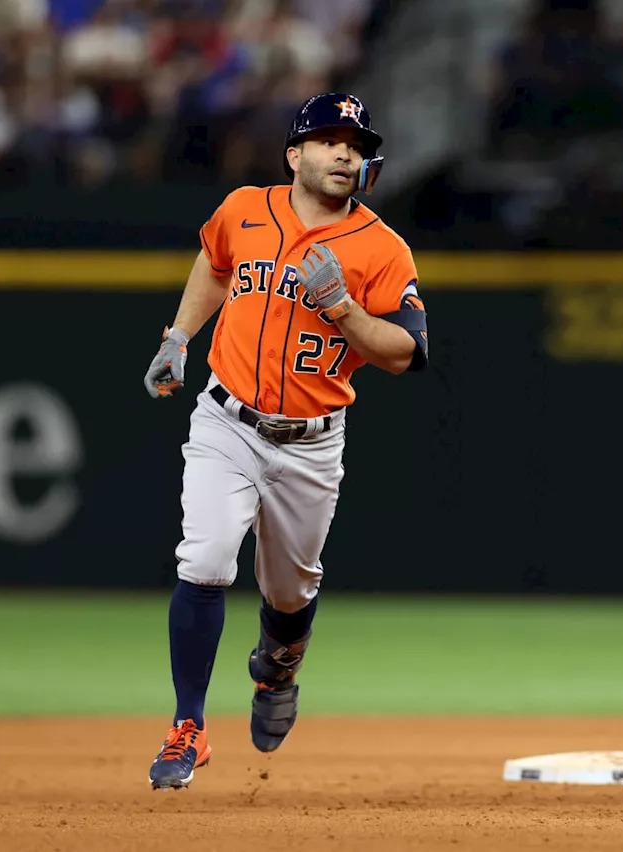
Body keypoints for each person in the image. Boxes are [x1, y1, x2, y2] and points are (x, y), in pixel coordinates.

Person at [141, 92, 429, 790]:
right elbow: (214, 263)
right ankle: (189, 727)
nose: (344, 153)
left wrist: (345, 309)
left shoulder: (382, 248)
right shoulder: (244, 208)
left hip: (310, 445)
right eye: (330, 140)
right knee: (205, 559)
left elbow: (406, 352)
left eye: (356, 146)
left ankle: (277, 669)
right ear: (294, 154)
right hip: (225, 421)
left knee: (290, 591)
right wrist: (179, 335)